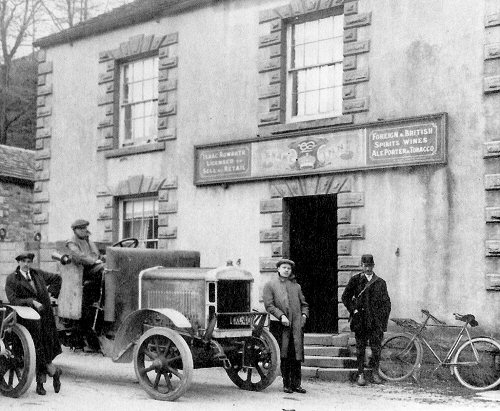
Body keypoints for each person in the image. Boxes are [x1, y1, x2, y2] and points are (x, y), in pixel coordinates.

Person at [5, 252, 63, 395]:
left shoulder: (37, 274)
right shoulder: (12, 279)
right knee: (36, 351)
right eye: (23, 261)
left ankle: (41, 384)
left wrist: (50, 293)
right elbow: (13, 300)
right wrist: (31, 302)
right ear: (18, 262)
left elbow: (57, 278)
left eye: (29, 261)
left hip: (45, 319)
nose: (26, 264)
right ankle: (53, 374)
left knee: (44, 351)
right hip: (27, 321)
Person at [341, 254, 391, 386]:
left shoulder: (380, 282)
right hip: (360, 320)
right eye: (365, 265)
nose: (368, 268)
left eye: (370, 266)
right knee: (360, 348)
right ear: (361, 266)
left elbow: (387, 304)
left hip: (375, 322)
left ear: (373, 266)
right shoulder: (355, 280)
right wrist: (354, 310)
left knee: (376, 349)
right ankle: (360, 374)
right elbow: (345, 297)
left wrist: (382, 321)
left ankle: (375, 372)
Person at [263, 258, 309, 394]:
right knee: (285, 355)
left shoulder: (296, 286)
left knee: (296, 356)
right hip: (280, 326)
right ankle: (287, 384)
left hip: (296, 326)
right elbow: (269, 305)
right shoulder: (270, 285)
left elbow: (304, 304)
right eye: (284, 267)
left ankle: (297, 384)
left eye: (289, 268)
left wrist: (304, 316)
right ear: (278, 269)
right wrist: (281, 316)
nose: (286, 270)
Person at [65, 219, 105, 331]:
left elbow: (96, 254)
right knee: (104, 271)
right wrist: (94, 261)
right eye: (81, 228)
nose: (84, 230)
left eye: (85, 228)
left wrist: (101, 259)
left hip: (92, 269)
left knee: (108, 269)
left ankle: (104, 300)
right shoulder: (71, 242)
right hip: (80, 273)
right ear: (75, 230)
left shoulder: (88, 240)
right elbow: (79, 256)